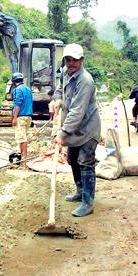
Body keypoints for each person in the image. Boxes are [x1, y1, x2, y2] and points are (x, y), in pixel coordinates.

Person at [51, 43, 101, 217]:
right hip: (74, 129)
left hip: (87, 128)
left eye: (75, 60)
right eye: (68, 59)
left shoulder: (85, 81)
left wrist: (62, 133)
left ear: (82, 60)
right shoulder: (65, 73)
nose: (71, 63)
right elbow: (59, 90)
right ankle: (80, 191)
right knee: (72, 159)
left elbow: (78, 111)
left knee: (85, 161)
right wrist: (57, 100)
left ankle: (88, 202)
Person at [11, 72, 33, 161]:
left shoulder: (17, 90)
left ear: (13, 81)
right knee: (24, 137)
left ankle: (24, 158)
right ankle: (22, 156)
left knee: (22, 138)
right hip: (28, 116)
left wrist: (15, 117)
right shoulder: (28, 89)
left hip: (21, 117)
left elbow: (18, 104)